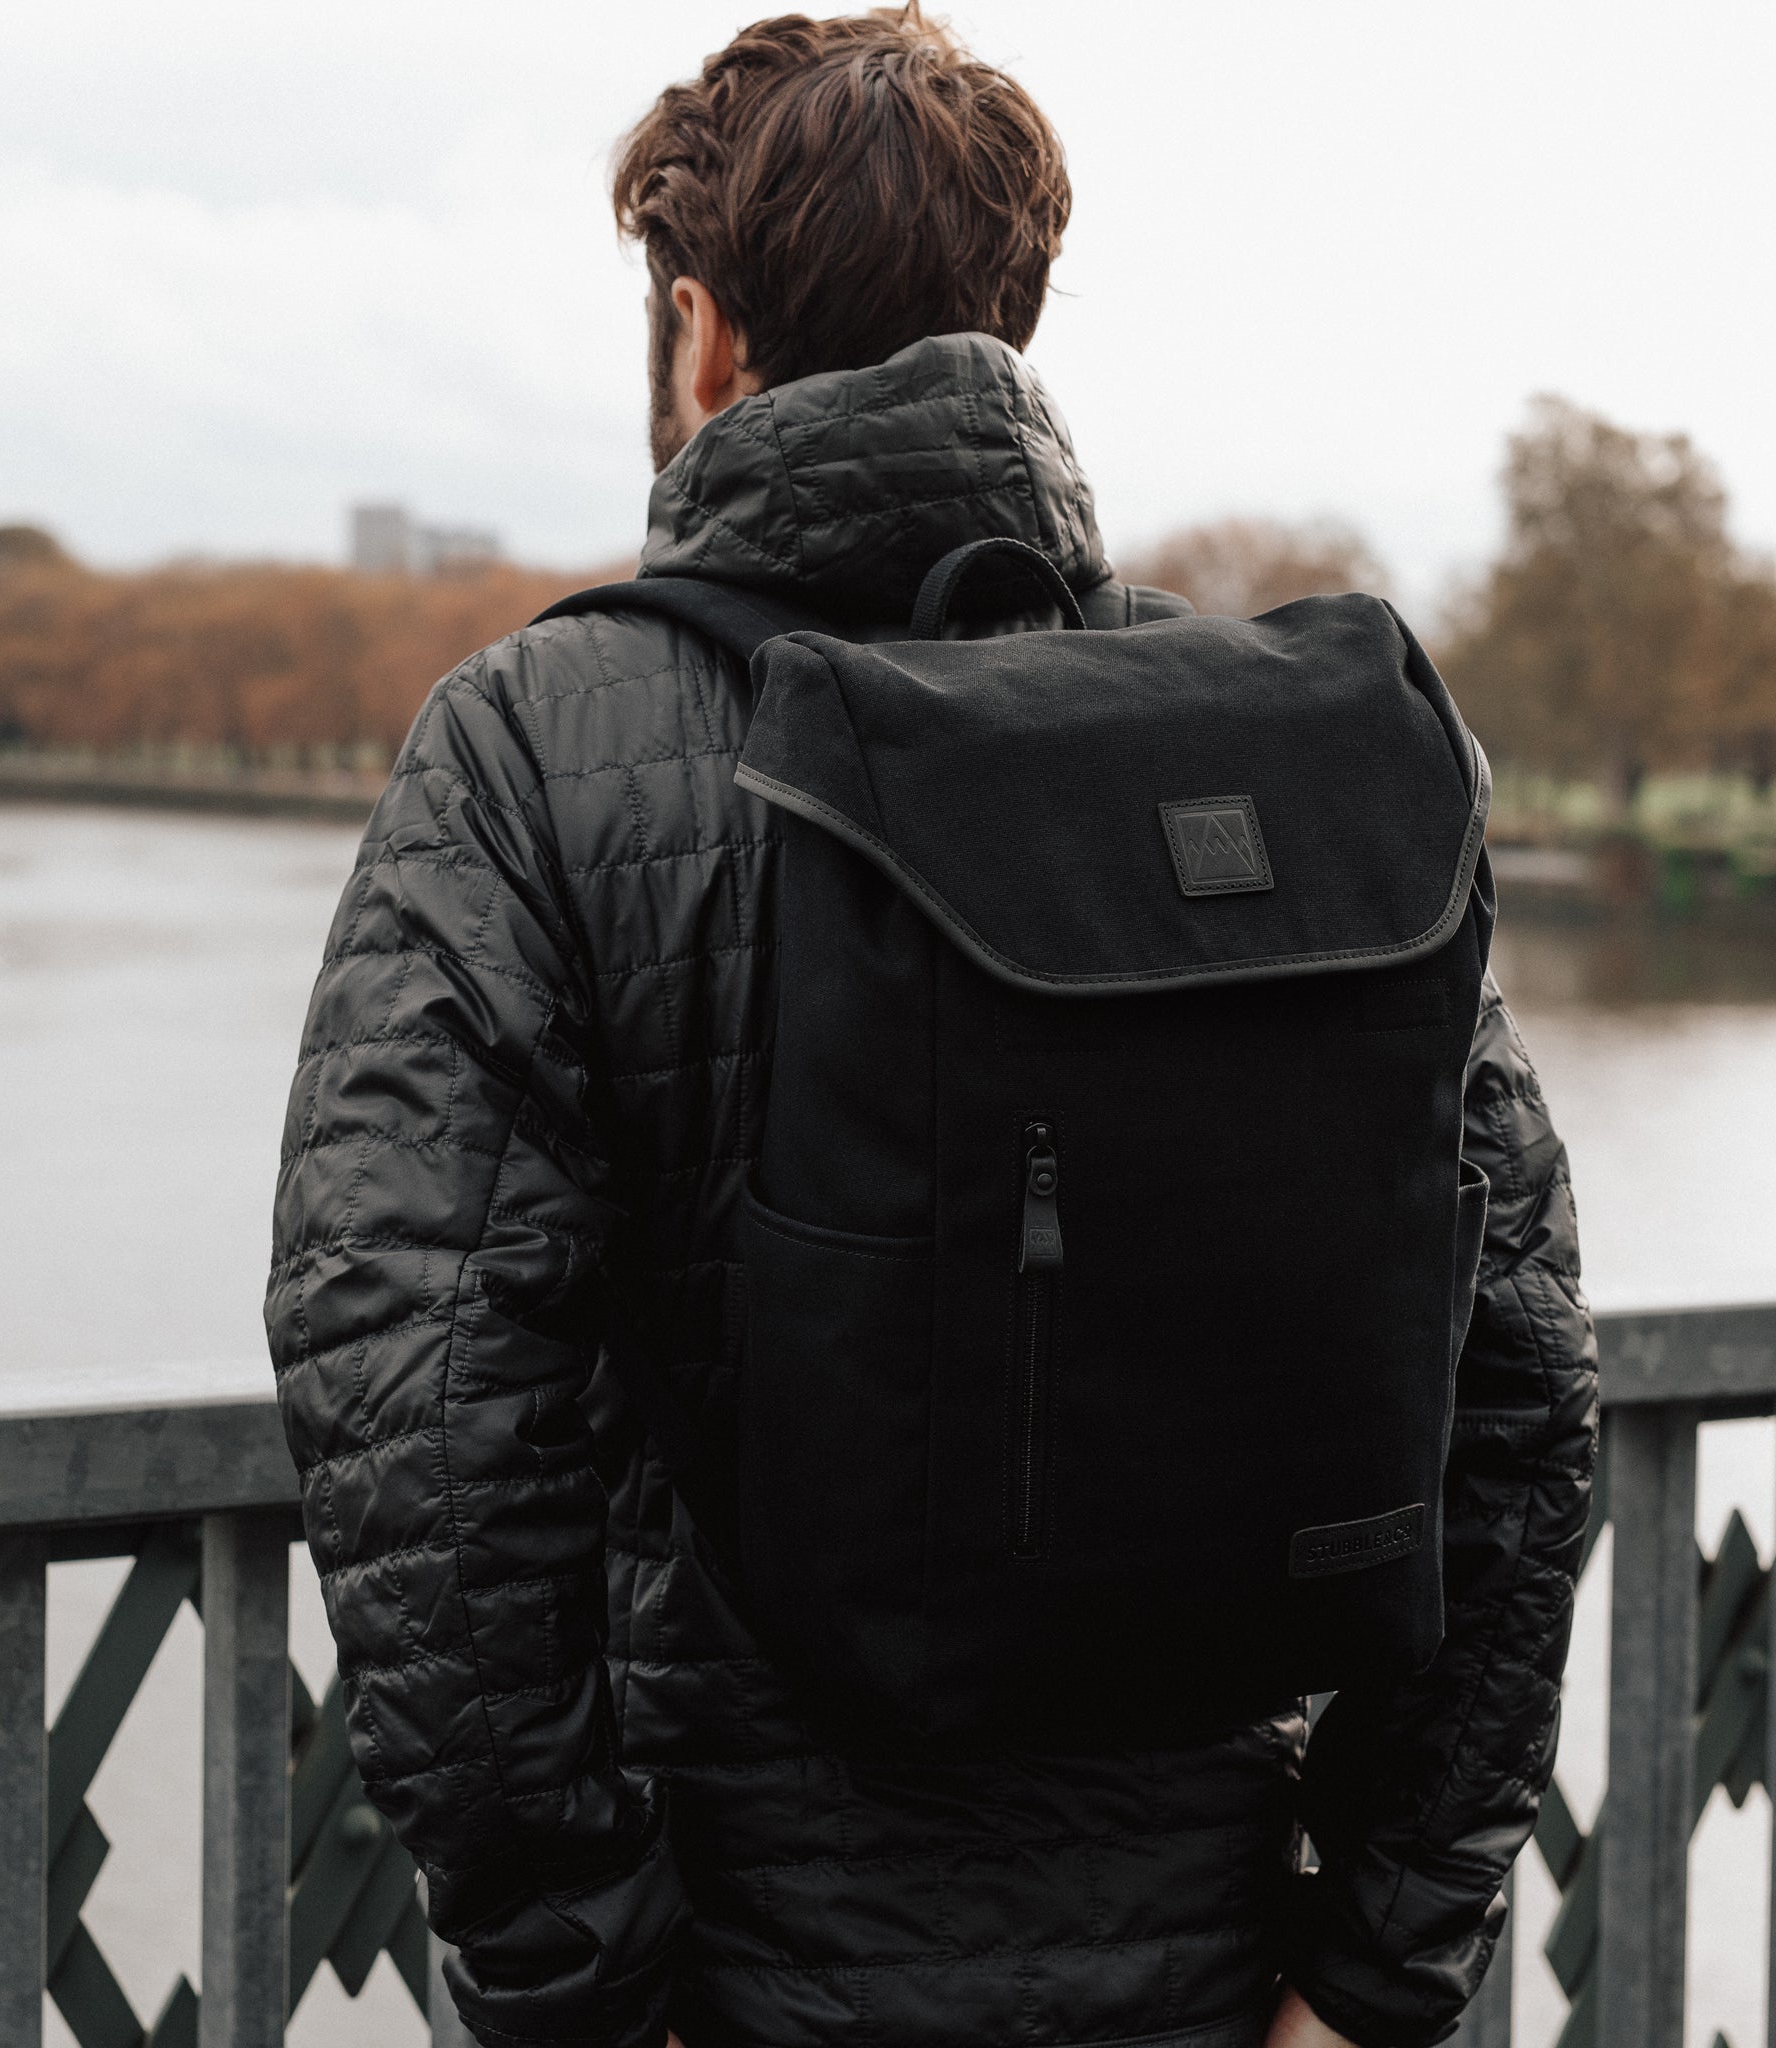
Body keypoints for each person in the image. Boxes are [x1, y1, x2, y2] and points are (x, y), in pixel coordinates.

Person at [265, 9, 1598, 2048]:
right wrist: (1371, 1956)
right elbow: (1515, 1370)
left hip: (730, 1963)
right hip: (1208, 1958)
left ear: (704, 338)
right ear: (1012, 330)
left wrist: (586, 1979)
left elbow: (416, 1410)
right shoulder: (1269, 764)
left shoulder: (534, 745)